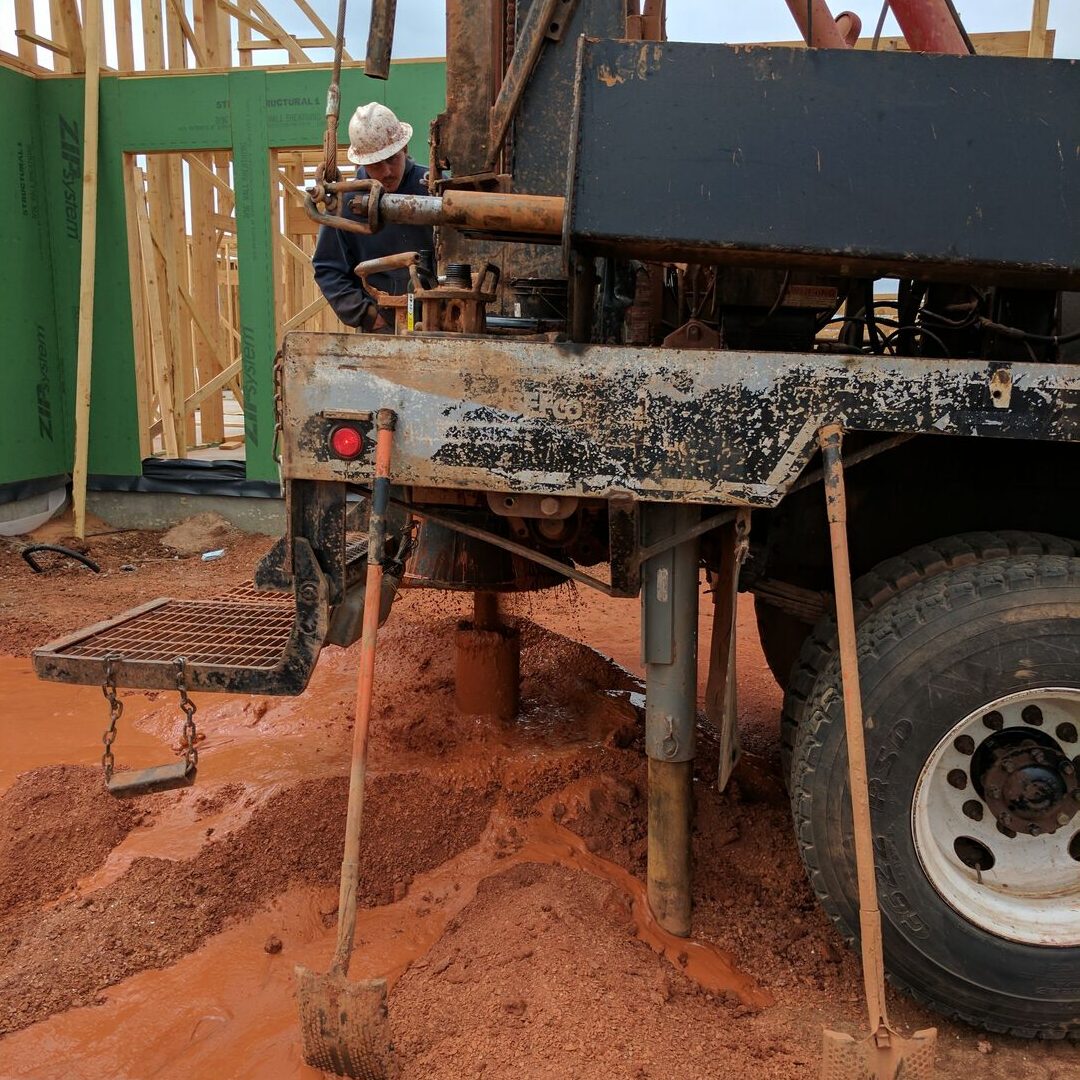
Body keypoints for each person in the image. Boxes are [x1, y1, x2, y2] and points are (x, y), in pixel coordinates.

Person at [312, 102, 434, 332]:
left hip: (439, 320)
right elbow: (328, 267)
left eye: (392, 159)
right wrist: (367, 315)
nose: (387, 171)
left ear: (405, 149)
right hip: (381, 328)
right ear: (361, 162)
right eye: (376, 165)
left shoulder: (432, 189)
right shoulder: (345, 204)